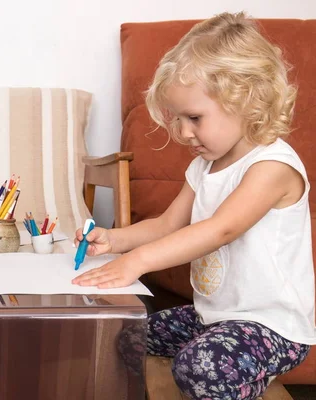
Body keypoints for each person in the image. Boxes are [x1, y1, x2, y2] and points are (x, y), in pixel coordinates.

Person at [72, 12, 315, 399]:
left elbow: (220, 229)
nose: (184, 132)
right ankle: (245, 377)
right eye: (179, 119)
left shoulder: (272, 166)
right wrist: (114, 240)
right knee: (128, 333)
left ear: (247, 99)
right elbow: (168, 223)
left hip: (271, 327)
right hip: (214, 317)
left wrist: (138, 261)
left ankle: (250, 380)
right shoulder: (204, 166)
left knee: (197, 368)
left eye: (195, 118)